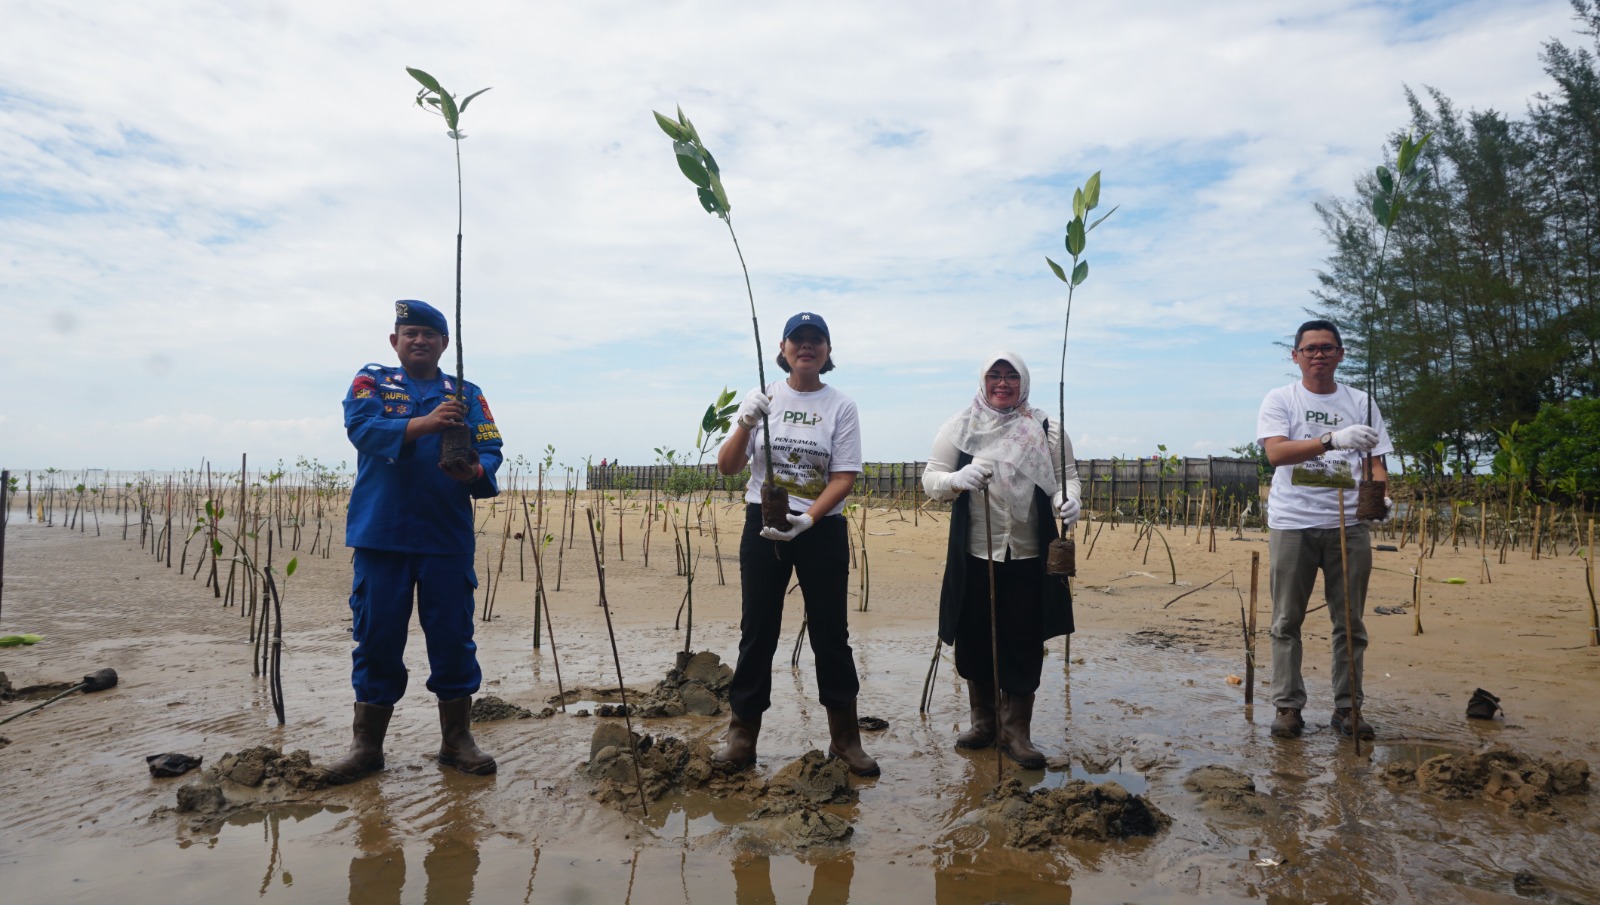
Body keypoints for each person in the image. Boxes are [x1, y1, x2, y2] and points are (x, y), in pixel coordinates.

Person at [326, 299, 505, 782]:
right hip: (381, 533)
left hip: (444, 536)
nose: (420, 340)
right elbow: (361, 428)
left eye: (429, 333)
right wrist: (427, 424)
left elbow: (491, 449)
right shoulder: (372, 380)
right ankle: (367, 748)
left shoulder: (466, 392)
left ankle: (457, 741)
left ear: (444, 343)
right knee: (377, 638)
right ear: (395, 341)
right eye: (411, 333)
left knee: (452, 639)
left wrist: (474, 470)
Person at [712, 311, 877, 776]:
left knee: (831, 633)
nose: (807, 346)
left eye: (816, 340)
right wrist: (745, 421)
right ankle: (742, 736)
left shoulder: (841, 405)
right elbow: (727, 467)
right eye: (797, 339)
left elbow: (844, 476)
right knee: (757, 630)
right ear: (782, 350)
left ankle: (845, 739)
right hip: (762, 522)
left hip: (820, 528)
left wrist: (807, 519)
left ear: (828, 353)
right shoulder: (764, 398)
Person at [923, 352, 1080, 769]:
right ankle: (984, 722)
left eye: (1012, 376)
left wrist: (1068, 498)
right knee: (975, 635)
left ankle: (1017, 730)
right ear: (983, 380)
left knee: (1023, 639)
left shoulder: (1047, 428)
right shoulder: (960, 427)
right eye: (995, 375)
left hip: (1029, 554)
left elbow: (1067, 477)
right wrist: (956, 480)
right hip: (976, 552)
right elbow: (931, 478)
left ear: (1024, 382)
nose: (1003, 383)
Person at [1256, 318, 1391, 740]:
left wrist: (1380, 498)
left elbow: (1375, 461)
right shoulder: (1280, 399)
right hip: (1293, 523)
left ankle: (1348, 708)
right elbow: (1276, 454)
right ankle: (1288, 707)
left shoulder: (1361, 401)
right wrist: (1333, 440)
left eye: (1328, 348)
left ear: (1341, 355)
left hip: (1347, 525)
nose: (1319, 354)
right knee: (1285, 621)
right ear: (1295, 356)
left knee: (1349, 623)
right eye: (1310, 348)